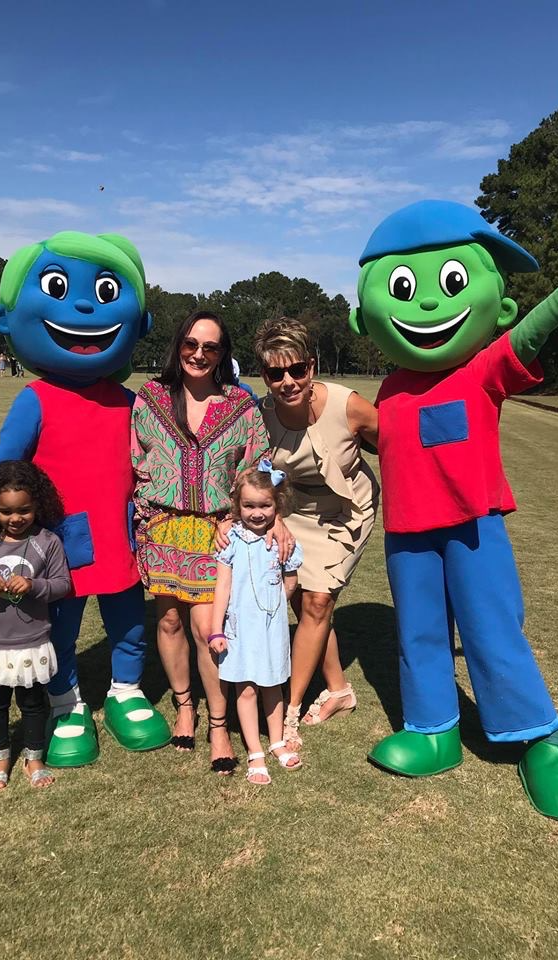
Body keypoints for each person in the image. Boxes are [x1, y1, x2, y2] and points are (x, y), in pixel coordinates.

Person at [350, 199, 558, 822]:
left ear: (494, 306)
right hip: (408, 534)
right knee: (418, 634)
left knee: (492, 630)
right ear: (365, 317)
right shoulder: (389, 389)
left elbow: (532, 331)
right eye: (402, 289)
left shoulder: (482, 369)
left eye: (448, 283)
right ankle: (432, 728)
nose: (425, 305)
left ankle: (541, 740)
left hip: (474, 527)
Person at [0, 230, 170, 768]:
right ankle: (66, 702)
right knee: (61, 626)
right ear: (7, 319)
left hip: (119, 534)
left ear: (139, 323)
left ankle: (126, 690)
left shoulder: (130, 401)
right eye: (57, 287)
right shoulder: (36, 399)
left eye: (101, 292)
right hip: (58, 541)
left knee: (127, 620)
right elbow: (2, 466)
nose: (80, 305)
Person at [131, 310, 270, 773]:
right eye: (191, 344)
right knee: (169, 622)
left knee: (208, 630)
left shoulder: (241, 408)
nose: (198, 354)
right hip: (163, 529)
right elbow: (136, 461)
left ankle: (217, 724)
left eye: (210, 347)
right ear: (179, 346)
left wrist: (275, 516)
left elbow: (263, 468)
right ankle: (184, 706)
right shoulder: (149, 399)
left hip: (216, 532)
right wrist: (144, 515)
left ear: (222, 354)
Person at [253, 317, 380, 751]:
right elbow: (257, 473)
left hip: (347, 510)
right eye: (275, 373)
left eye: (297, 370)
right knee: (303, 601)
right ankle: (340, 690)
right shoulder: (262, 415)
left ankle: (288, 714)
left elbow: (396, 446)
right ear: (265, 374)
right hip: (292, 512)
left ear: (312, 365)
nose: (287, 381)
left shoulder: (350, 406)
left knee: (319, 599)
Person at [0, 460, 71, 789]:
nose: (15, 519)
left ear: (36, 505)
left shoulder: (48, 541)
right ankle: (0, 758)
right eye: (5, 512)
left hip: (31, 638)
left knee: (32, 702)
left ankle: (34, 757)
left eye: (23, 510)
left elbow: (63, 585)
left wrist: (35, 586)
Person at [209, 461, 304, 785]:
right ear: (237, 505)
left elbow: (290, 580)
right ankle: (255, 751)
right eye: (249, 505)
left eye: (265, 505)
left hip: (271, 627)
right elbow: (222, 585)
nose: (257, 512)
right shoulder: (230, 540)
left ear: (277, 505)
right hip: (239, 628)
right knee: (246, 688)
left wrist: (277, 601)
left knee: (272, 684)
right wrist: (216, 629)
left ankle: (276, 741)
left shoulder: (282, 542)